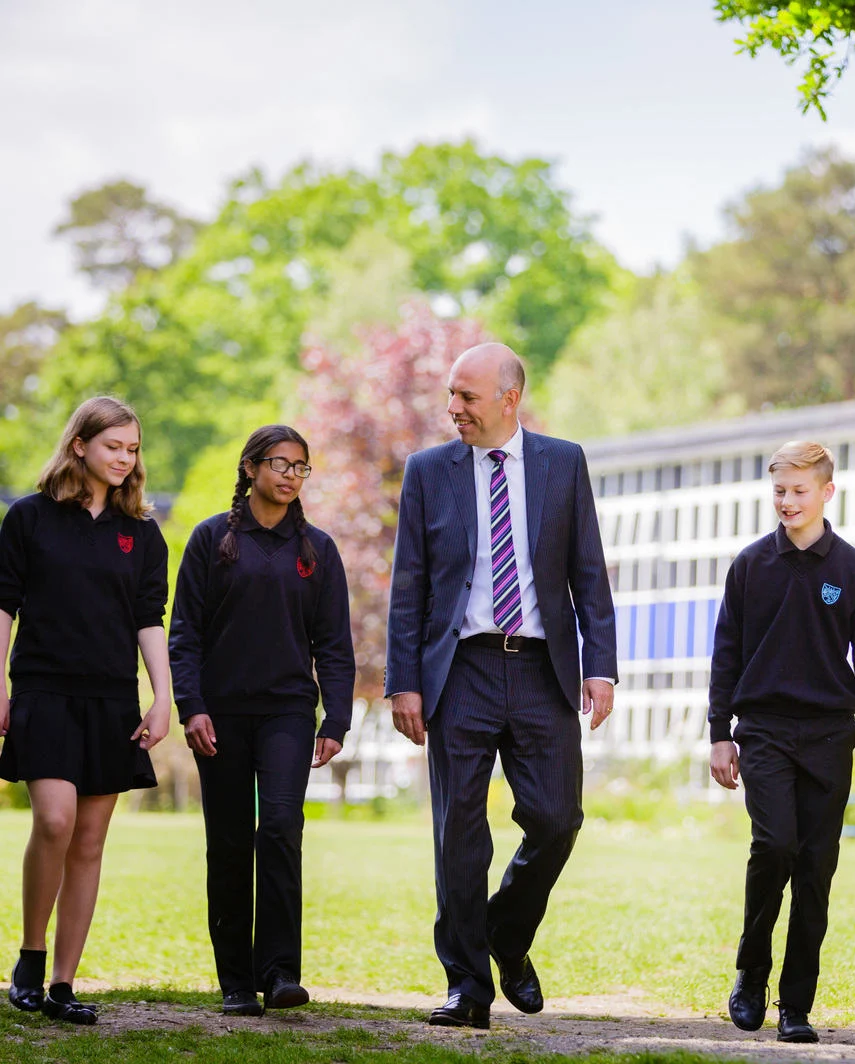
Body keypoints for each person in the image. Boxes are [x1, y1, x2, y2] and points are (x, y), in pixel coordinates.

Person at [386, 342, 617, 1030]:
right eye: (451, 395)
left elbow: (589, 573)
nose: (452, 408)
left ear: (508, 399)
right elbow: (410, 586)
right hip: (462, 670)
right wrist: (405, 682)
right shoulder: (429, 472)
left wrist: (599, 665)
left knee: (557, 819)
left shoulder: (563, 463)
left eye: (466, 396)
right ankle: (467, 986)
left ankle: (505, 936)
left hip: (544, 669)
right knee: (459, 830)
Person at [709, 440, 855, 1044]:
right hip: (762, 732)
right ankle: (750, 971)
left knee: (815, 869)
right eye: (779, 492)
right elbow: (726, 655)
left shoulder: (852, 572)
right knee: (776, 845)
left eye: (798, 491)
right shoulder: (750, 566)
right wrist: (719, 735)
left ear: (826, 493)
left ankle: (796, 1005)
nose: (787, 502)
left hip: (827, 737)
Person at [168, 425, 355, 1017]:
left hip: (288, 714)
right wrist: (191, 706)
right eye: (279, 463)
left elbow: (335, 644)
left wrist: (337, 719)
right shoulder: (209, 540)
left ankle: (280, 974)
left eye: (301, 467)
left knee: (279, 827)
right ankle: (235, 980)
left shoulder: (318, 550)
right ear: (250, 468)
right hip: (218, 715)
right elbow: (185, 636)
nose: (290, 475)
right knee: (227, 841)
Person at [0, 396, 170, 1025]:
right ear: (80, 446)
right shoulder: (29, 518)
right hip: (42, 689)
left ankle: (64, 983)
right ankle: (29, 956)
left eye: (132, 449)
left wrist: (163, 697)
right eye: (113, 447)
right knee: (54, 820)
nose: (125, 459)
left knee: (90, 840)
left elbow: (148, 619)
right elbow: (3, 605)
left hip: (111, 698)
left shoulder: (143, 533)